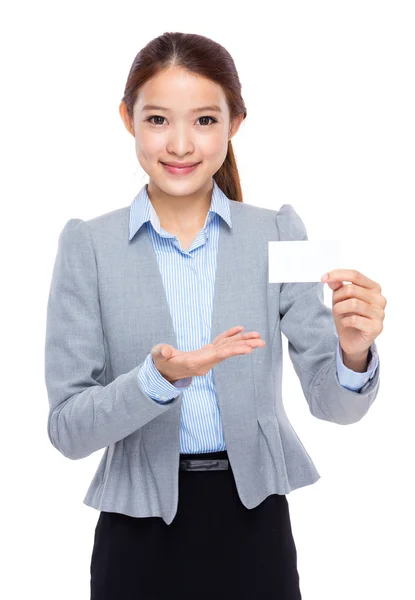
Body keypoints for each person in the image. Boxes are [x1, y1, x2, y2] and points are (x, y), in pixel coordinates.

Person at [44, 31, 386, 600]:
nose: (180, 144)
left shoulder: (276, 232)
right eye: (158, 120)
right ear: (128, 119)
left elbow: (334, 405)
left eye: (204, 120)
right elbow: (68, 430)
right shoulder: (89, 246)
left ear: (235, 123)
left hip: (254, 524)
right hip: (137, 533)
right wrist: (160, 379)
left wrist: (353, 351)